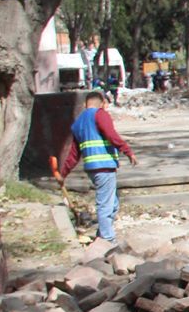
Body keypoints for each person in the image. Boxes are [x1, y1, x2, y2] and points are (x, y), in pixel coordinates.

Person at [58, 89, 137, 244]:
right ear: (102, 103)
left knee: (113, 204)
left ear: (85, 104)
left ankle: (103, 233)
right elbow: (112, 135)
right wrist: (128, 151)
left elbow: (74, 154)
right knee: (106, 205)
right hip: (104, 166)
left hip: (92, 168)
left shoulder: (78, 123)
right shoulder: (100, 115)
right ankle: (107, 240)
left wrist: (63, 172)